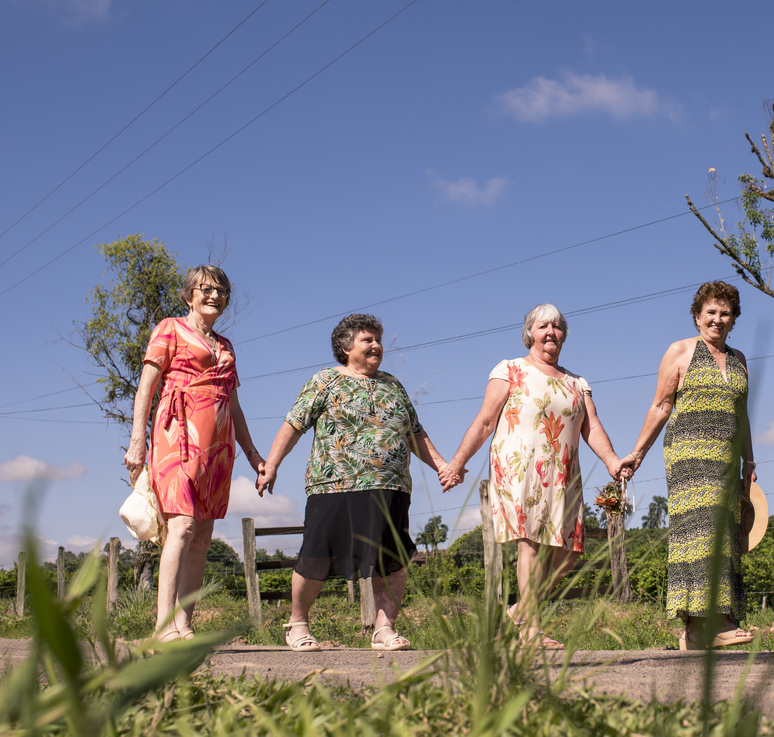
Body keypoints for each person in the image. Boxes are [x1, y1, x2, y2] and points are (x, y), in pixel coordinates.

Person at [255, 314, 448, 652]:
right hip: (335, 484)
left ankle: (384, 629)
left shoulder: (393, 385)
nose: (376, 346)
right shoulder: (325, 381)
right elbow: (294, 424)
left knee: (391, 560)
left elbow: (415, 433)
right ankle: (297, 624)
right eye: (367, 340)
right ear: (346, 347)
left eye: (378, 340)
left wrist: (443, 466)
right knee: (316, 556)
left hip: (391, 487)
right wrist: (271, 465)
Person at [439, 304, 626, 649]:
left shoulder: (577, 382)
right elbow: (484, 421)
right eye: (543, 326)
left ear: (564, 335)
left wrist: (613, 460)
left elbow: (592, 426)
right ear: (530, 334)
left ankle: (519, 613)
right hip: (520, 467)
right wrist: (458, 462)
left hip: (564, 473)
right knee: (532, 541)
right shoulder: (510, 369)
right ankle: (530, 629)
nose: (551, 332)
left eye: (557, 326)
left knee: (569, 550)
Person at [124, 265, 264, 642]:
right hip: (177, 435)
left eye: (221, 290)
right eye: (206, 289)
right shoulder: (169, 329)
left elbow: (234, 406)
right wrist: (138, 438)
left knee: (203, 533)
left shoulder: (227, 346)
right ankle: (161, 627)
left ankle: (184, 624)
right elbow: (146, 388)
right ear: (189, 295)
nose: (214, 295)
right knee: (182, 526)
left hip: (217, 445)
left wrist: (253, 455)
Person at [619, 281, 755, 650]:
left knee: (724, 535)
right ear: (697, 316)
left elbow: (741, 415)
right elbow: (661, 405)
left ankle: (706, 627)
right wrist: (638, 452)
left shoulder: (740, 360)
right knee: (699, 532)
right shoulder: (680, 351)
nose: (717, 319)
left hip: (727, 459)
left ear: (733, 319)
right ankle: (702, 625)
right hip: (689, 455)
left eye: (725, 313)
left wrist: (749, 460)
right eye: (711, 312)